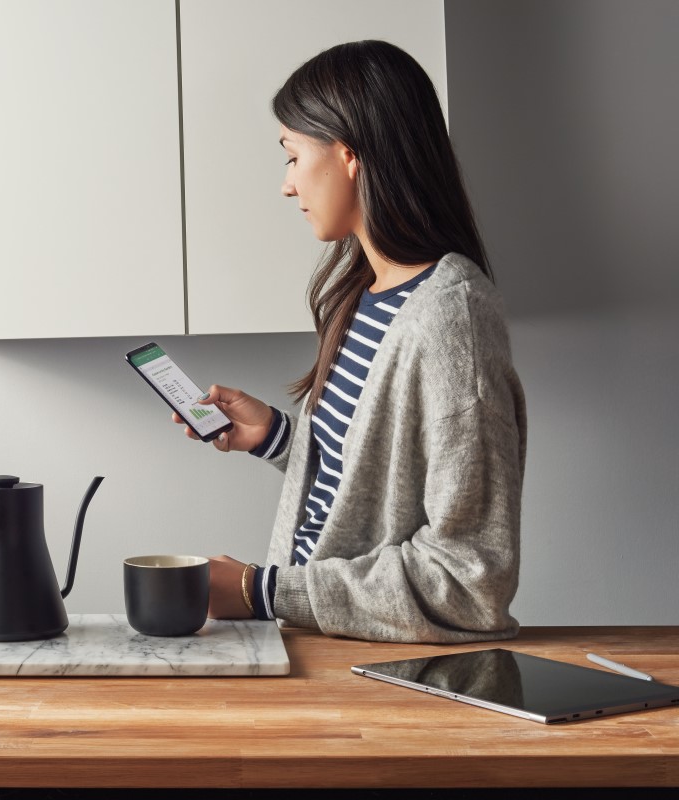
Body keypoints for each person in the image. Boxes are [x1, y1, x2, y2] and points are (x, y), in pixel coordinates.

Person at [174, 40, 527, 644]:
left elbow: (470, 579)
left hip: (379, 670)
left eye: (291, 155)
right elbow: (376, 486)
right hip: (327, 644)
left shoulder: (452, 318)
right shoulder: (366, 292)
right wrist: (281, 438)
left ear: (348, 155)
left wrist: (260, 590)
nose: (288, 185)